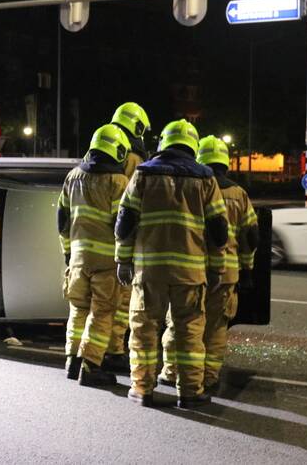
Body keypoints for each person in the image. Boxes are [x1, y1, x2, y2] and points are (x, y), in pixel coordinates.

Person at [115, 119, 228, 408]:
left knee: (144, 328)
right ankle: (189, 393)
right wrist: (217, 268)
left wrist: (123, 261)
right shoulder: (205, 179)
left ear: (163, 142)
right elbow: (218, 231)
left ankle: (142, 389)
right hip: (189, 273)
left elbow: (124, 223)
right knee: (189, 331)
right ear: (192, 144)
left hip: (148, 271)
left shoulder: (142, 174)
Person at [159, 135, 258, 391]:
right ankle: (209, 376)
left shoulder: (195, 188)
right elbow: (251, 236)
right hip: (226, 275)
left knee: (180, 322)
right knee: (215, 327)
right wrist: (247, 269)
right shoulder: (239, 195)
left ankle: (171, 372)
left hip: (192, 270)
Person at [57, 124, 131, 386]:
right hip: (107, 262)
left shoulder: (72, 177)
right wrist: (127, 258)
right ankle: (91, 366)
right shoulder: (117, 181)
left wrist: (67, 252)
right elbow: (121, 226)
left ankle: (72, 360)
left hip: (78, 259)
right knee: (102, 313)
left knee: (78, 310)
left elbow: (62, 219)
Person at [103, 102, 152, 372]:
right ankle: (114, 351)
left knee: (100, 301)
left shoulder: (101, 148)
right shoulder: (132, 158)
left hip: (96, 237)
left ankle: (95, 351)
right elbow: (133, 201)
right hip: (121, 237)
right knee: (121, 300)